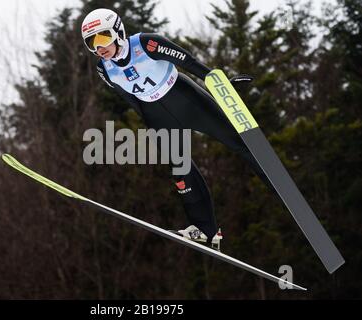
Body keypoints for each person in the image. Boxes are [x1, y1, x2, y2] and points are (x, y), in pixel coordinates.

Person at [81, 8, 271, 250]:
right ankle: (205, 230)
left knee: (236, 142)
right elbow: (129, 99)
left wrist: (221, 85)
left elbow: (190, 63)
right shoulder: (104, 69)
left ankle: (277, 182)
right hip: (157, 116)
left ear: (118, 31)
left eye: (103, 37)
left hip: (185, 99)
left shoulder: (147, 43)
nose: (99, 47)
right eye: (92, 42)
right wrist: (152, 125)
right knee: (182, 175)